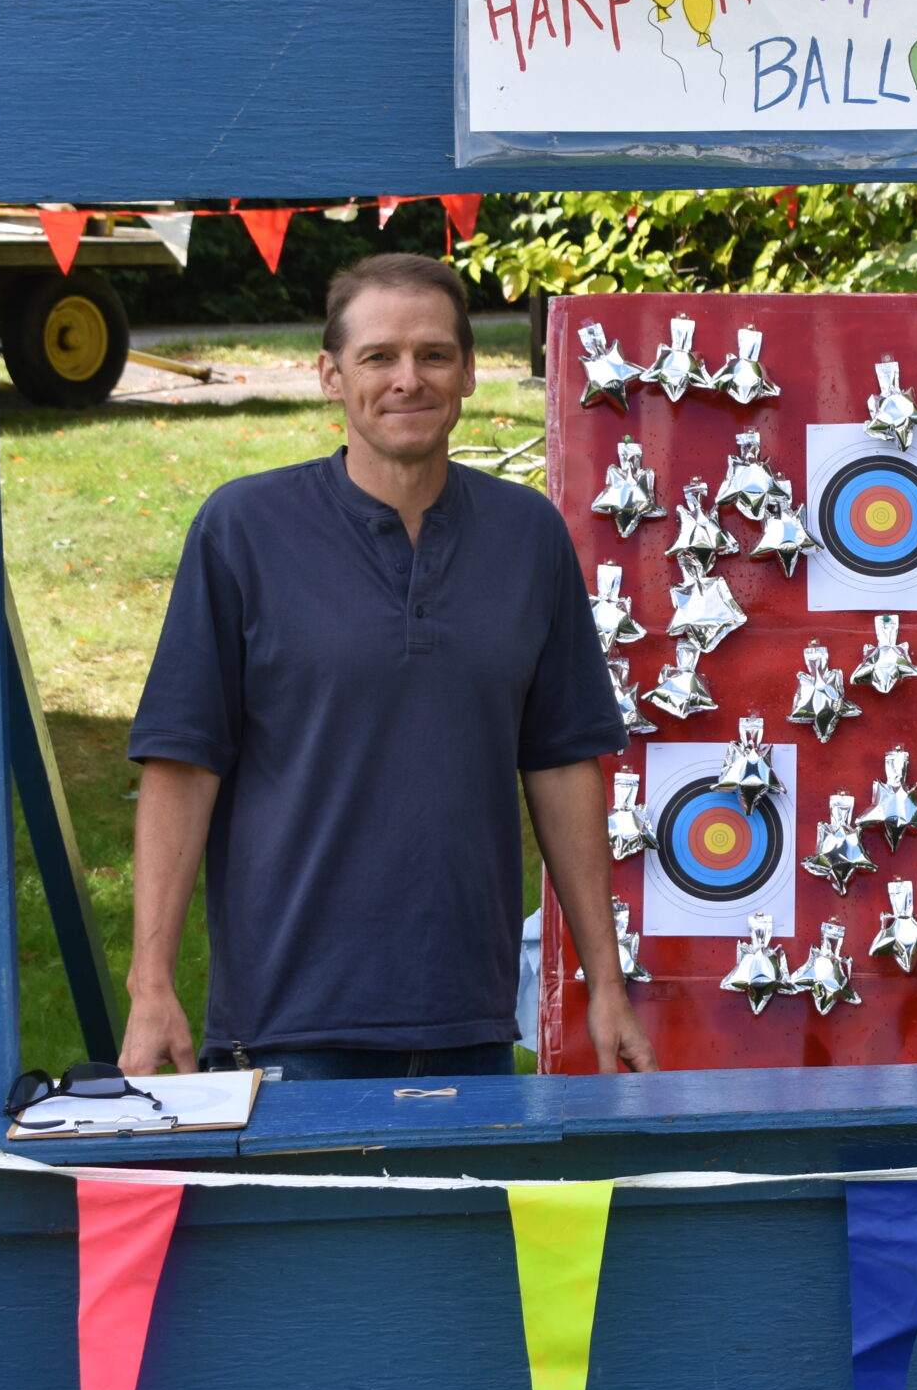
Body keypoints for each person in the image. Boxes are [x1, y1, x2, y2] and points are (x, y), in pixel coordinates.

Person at [118, 253, 656, 1079]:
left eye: (434, 354)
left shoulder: (529, 535)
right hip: (288, 1025)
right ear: (331, 375)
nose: (409, 378)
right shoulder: (243, 530)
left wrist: (605, 983)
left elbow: (561, 766)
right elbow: (183, 765)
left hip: (470, 1019)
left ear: (469, 371)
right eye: (379, 356)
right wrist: (150, 983)